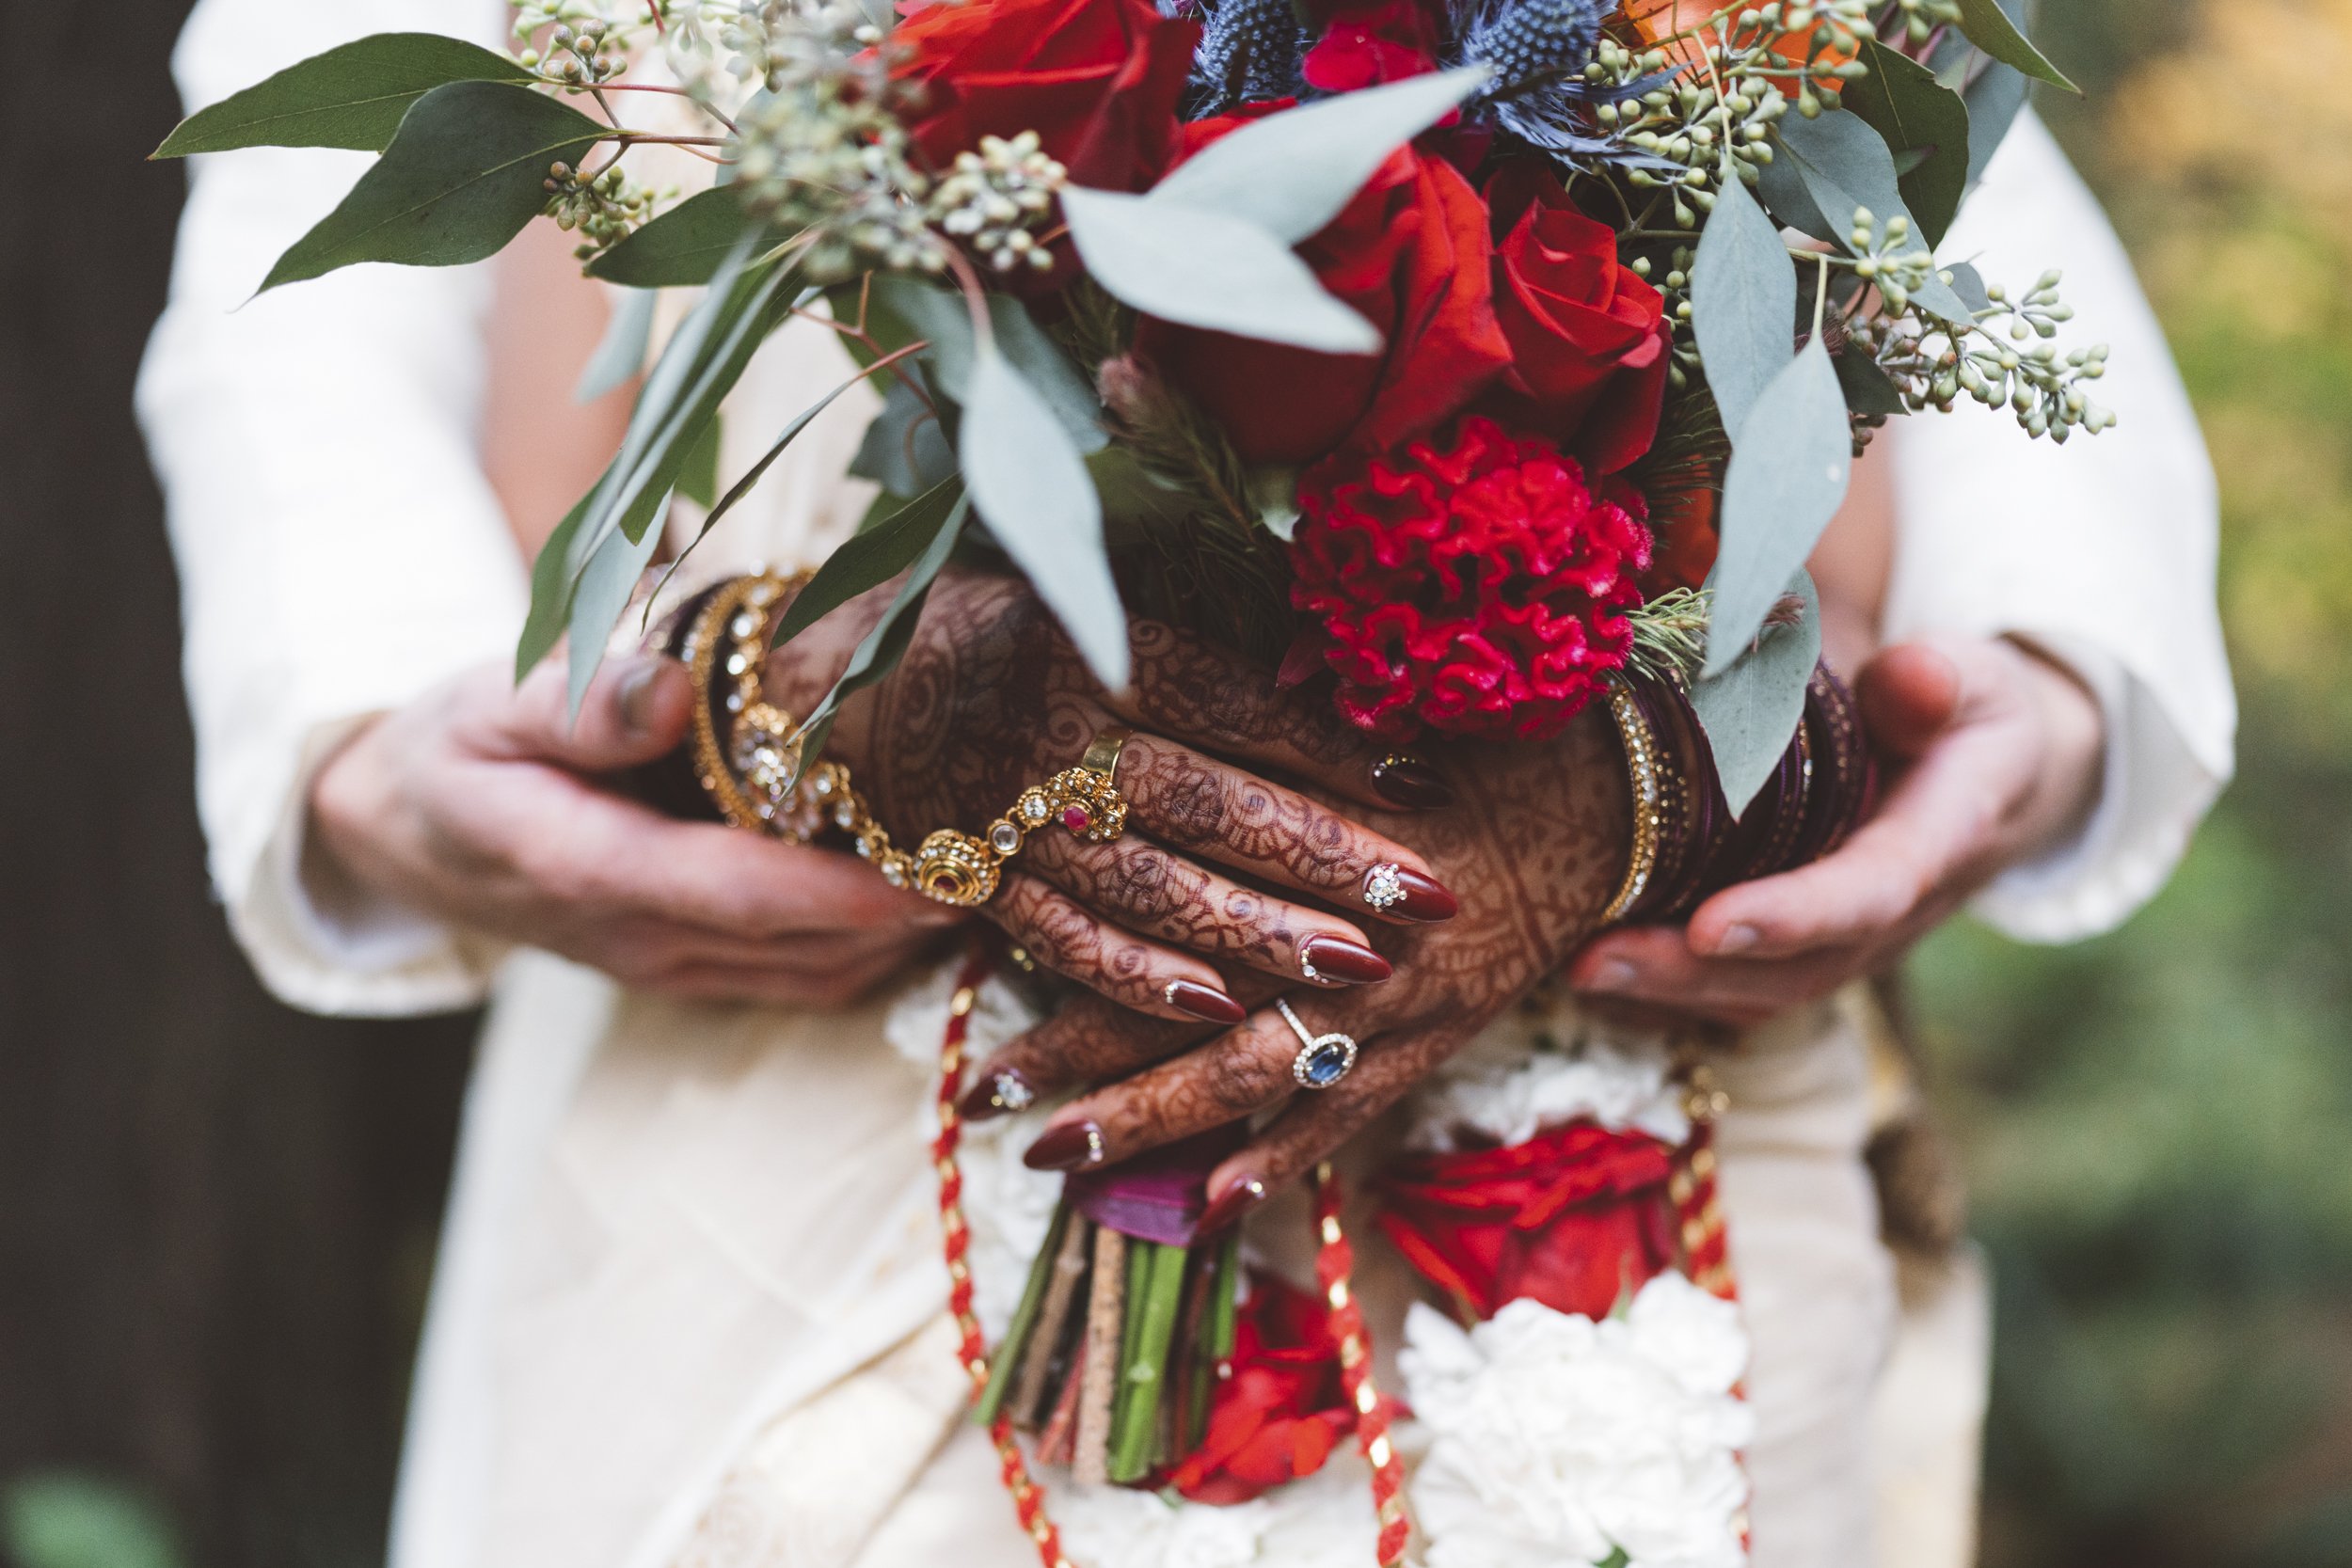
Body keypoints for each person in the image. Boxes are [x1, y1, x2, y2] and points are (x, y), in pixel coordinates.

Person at [138, 2, 2233, 1564]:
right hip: (803, 1108)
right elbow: (305, 330)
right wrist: (373, 727)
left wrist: (2040, 675)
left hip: (1626, 1162)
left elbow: (1951, 215)